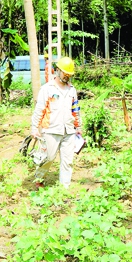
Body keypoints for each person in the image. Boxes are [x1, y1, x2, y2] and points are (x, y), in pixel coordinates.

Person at [30, 57, 82, 190]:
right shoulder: (47, 89)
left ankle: (65, 187)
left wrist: (78, 126)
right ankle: (39, 178)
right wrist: (34, 127)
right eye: (65, 73)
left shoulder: (72, 90)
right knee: (49, 157)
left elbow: (75, 109)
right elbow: (39, 109)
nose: (67, 76)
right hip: (51, 129)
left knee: (67, 161)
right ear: (57, 70)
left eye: (69, 74)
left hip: (69, 130)